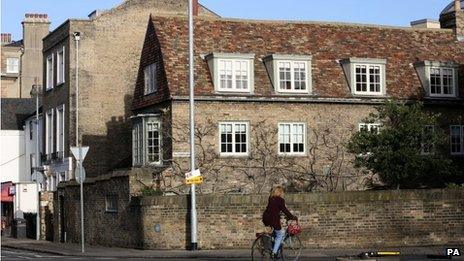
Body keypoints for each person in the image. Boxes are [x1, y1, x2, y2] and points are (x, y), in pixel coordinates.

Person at [262, 186, 298, 258]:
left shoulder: (271, 198)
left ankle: (271, 250)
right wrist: (292, 217)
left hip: (266, 218)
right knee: (280, 235)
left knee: (275, 234)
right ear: (280, 192)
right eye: (282, 192)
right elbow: (284, 210)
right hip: (273, 219)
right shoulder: (280, 200)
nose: (283, 193)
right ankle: (274, 253)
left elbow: (275, 209)